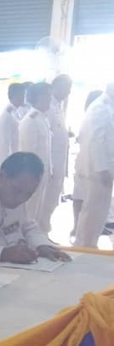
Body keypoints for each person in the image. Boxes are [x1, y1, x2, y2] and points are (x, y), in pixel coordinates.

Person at [74, 82, 114, 249]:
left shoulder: (107, 107)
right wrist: (102, 169)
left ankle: (89, 244)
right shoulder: (100, 109)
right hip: (97, 172)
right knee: (93, 211)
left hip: (102, 169)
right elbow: (95, 140)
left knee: (99, 212)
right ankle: (84, 246)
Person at [36, 74, 73, 234]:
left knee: (51, 202)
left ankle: (44, 232)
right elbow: (45, 141)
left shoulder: (57, 106)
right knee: (44, 203)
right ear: (56, 87)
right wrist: (48, 168)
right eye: (66, 88)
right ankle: (40, 234)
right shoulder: (48, 108)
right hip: (50, 167)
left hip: (57, 165)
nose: (68, 92)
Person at [18, 82, 53, 222]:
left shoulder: (42, 118)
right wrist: (31, 176)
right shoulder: (30, 121)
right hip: (33, 175)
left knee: (38, 210)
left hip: (41, 174)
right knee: (30, 211)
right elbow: (28, 153)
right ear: (39, 97)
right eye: (48, 95)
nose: (50, 99)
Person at [72, 90, 104, 238]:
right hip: (89, 165)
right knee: (85, 199)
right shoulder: (94, 118)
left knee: (81, 197)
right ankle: (80, 229)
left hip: (84, 163)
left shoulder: (89, 118)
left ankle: (79, 228)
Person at [0, 83, 26, 170]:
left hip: (11, 158)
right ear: (16, 95)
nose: (24, 98)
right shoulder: (7, 115)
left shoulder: (14, 112)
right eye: (22, 95)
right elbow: (4, 142)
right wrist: (9, 163)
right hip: (4, 161)